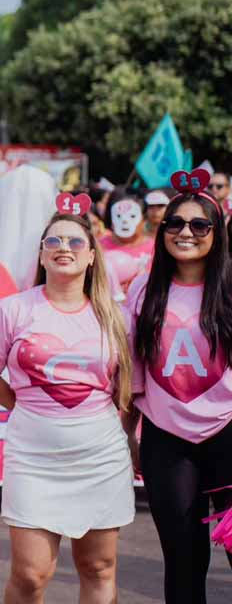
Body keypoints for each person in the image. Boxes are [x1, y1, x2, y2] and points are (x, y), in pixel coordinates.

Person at [0, 206, 134, 603]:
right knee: (30, 575)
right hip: (33, 458)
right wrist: (26, 407)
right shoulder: (11, 310)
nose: (65, 248)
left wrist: (128, 439)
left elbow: (126, 389)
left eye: (76, 241)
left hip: (101, 456)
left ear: (93, 255)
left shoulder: (116, 316)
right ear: (42, 255)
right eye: (54, 241)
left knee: (98, 568)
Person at [123, 185, 232, 603]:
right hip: (166, 440)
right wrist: (128, 434)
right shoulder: (142, 290)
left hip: (228, 434)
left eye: (199, 223)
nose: (186, 232)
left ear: (216, 232)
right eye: (175, 222)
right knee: (183, 559)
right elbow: (132, 367)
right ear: (161, 229)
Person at [100, 190, 153, 291]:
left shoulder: (156, 248)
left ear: (144, 219)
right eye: (119, 216)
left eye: (132, 216)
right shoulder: (97, 247)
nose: (125, 221)